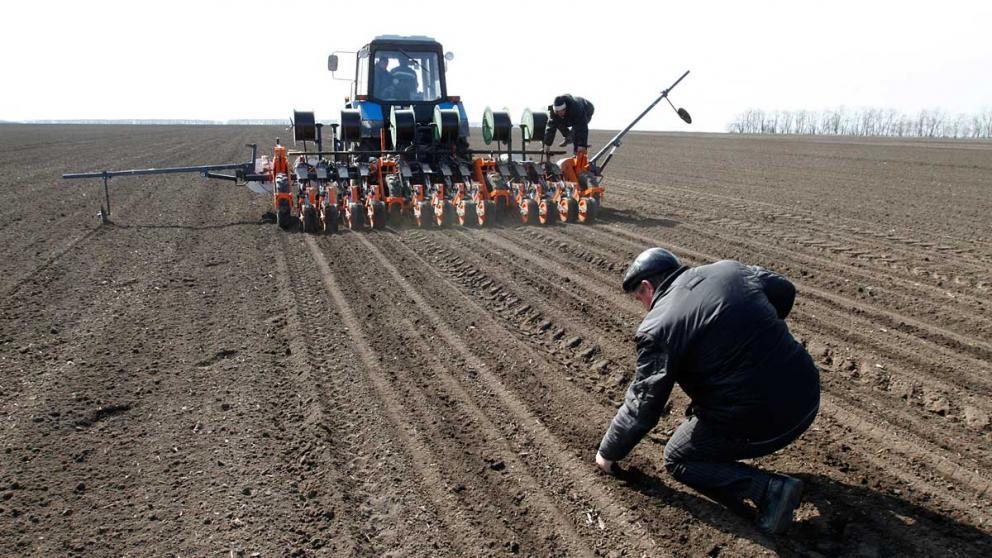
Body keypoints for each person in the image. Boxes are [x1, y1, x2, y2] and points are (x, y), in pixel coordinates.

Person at [595, 247, 821, 534]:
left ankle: (770, 491)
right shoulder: (731, 269)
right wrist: (754, 335)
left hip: (771, 421)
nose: (643, 306)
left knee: (679, 457)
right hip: (809, 392)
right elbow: (784, 290)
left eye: (640, 298)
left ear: (647, 287)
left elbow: (644, 404)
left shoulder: (657, 327)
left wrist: (608, 453)